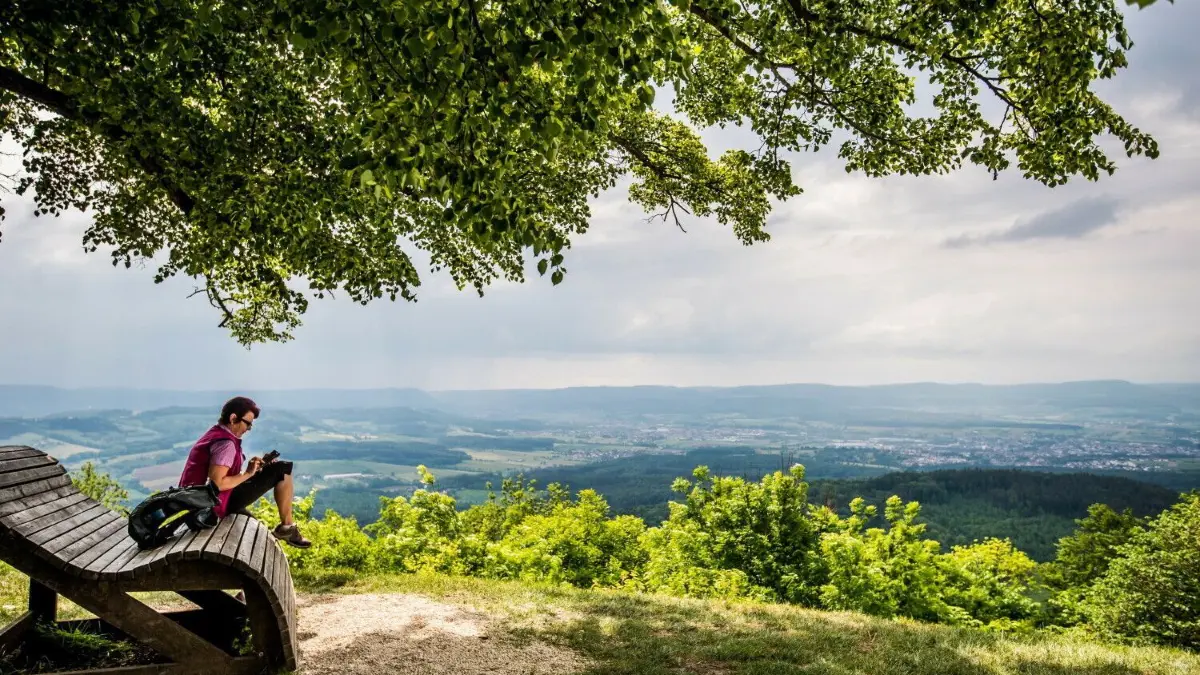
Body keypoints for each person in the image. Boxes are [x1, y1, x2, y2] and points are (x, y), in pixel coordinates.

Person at [178, 396, 311, 548]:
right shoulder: (226, 444)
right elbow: (218, 484)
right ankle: (287, 528)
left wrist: (252, 470)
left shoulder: (215, 434)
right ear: (233, 418)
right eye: (248, 423)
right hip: (210, 505)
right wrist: (248, 474)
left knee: (257, 530)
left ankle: (286, 529)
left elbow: (220, 476)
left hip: (197, 501)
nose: (249, 428)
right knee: (282, 470)